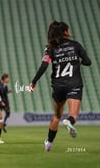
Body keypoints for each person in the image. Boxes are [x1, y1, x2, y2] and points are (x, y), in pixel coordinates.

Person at [29, 21, 91, 151]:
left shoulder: (50, 48)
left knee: (57, 116)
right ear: (65, 32)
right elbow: (88, 62)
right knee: (73, 115)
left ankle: (49, 142)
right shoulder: (75, 45)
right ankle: (69, 121)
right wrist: (79, 61)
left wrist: (34, 81)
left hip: (58, 86)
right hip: (74, 83)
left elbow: (44, 65)